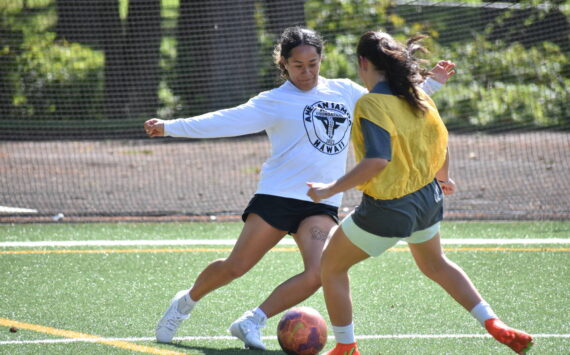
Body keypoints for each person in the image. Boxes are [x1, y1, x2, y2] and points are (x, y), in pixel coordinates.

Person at [144, 26, 453, 350]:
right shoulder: (273, 101)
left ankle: (252, 320)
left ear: (321, 59)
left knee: (321, 271)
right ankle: (186, 302)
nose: (306, 72)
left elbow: (398, 106)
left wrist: (432, 85)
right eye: (298, 65)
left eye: (313, 63)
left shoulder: (346, 91)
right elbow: (224, 120)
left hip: (321, 201)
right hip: (277, 197)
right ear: (284, 64)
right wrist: (169, 128)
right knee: (236, 267)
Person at [307, 30, 533, 355]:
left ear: (363, 63)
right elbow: (438, 141)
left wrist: (329, 188)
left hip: (389, 208)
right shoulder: (417, 96)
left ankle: (346, 347)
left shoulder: (371, 103)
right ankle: (492, 322)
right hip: (429, 198)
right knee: (436, 265)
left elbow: (377, 161)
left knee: (331, 265)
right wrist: (444, 177)